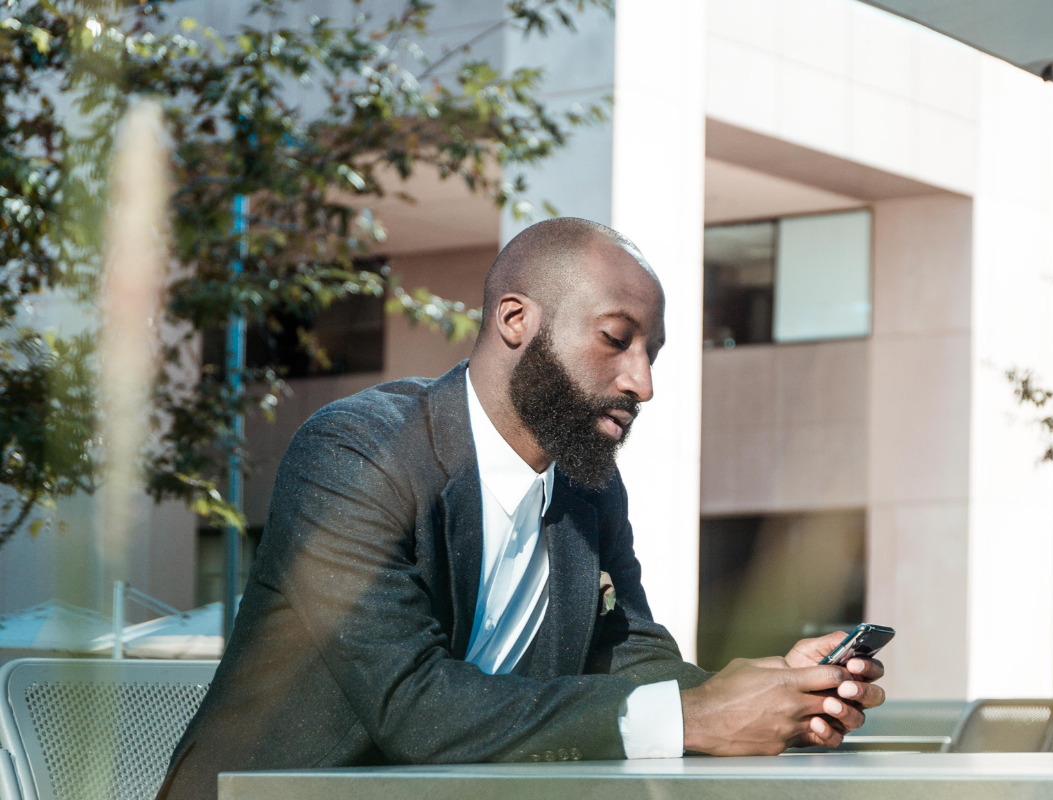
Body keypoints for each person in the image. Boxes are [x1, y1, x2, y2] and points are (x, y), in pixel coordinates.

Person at [157, 217, 885, 800]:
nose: (642, 383)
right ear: (516, 319)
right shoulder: (356, 455)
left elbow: (626, 659)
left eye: (652, 354)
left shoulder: (588, 486)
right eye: (615, 340)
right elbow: (414, 706)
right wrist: (698, 717)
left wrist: (770, 694)